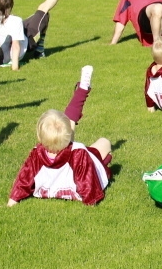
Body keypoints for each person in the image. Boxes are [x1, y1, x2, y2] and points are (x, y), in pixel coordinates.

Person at [7, 67, 113, 206]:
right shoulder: (78, 154)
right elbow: (88, 183)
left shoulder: (37, 154)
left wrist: (12, 201)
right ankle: (83, 89)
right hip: (75, 164)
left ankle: (83, 89)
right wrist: (91, 201)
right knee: (104, 142)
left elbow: (24, 179)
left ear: (40, 136)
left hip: (61, 171)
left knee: (73, 131)